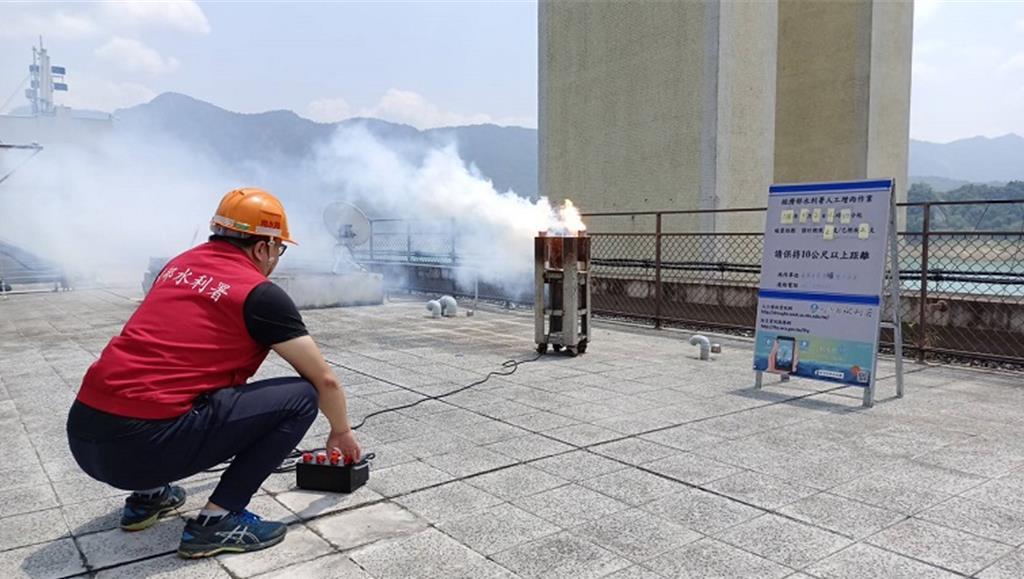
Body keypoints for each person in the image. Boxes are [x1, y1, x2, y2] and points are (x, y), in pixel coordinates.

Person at [66, 187, 361, 558]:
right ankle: (219, 520)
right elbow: (325, 381)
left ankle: (148, 497)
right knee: (301, 397)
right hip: (141, 449)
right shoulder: (259, 293)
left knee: (176, 385)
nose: (276, 258)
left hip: (83, 434)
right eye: (278, 249)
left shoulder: (177, 266)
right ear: (262, 247)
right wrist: (341, 431)